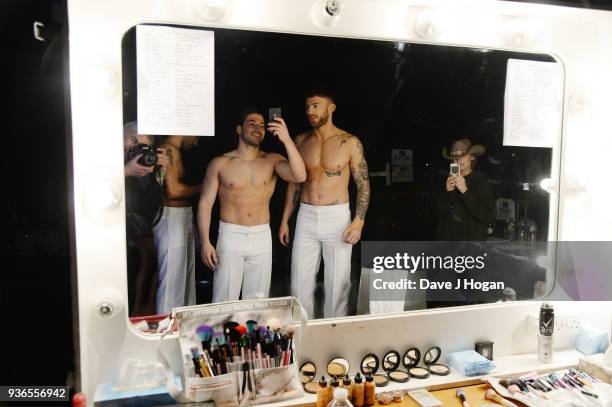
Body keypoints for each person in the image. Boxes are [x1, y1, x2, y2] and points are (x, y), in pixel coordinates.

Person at [197, 108, 306, 302]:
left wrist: (286, 139)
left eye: (263, 125)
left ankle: (252, 333)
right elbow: (205, 204)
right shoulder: (220, 163)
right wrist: (205, 242)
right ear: (239, 129)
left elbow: (300, 176)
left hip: (261, 235)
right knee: (224, 298)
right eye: (252, 123)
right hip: (231, 234)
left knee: (258, 299)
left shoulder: (271, 159)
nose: (258, 128)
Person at [280, 89, 371, 318]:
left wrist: (358, 221)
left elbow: (363, 184)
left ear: (331, 108)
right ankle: (305, 336)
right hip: (306, 215)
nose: (310, 111)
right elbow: (294, 184)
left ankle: (334, 337)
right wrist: (284, 221)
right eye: (308, 107)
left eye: (316, 105)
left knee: (337, 283)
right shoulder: (300, 141)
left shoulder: (349, 142)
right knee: (299, 282)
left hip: (337, 216)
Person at [123, 122, 168, 316]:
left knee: (148, 261)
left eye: (141, 145)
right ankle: (143, 307)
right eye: (133, 140)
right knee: (153, 260)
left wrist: (160, 170)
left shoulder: (139, 162)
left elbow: (153, 191)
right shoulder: (104, 153)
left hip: (142, 218)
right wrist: (126, 170)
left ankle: (142, 309)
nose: (134, 147)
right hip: (130, 222)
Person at [153, 134, 201, 314]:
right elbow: (173, 191)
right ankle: (165, 327)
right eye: (196, 137)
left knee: (185, 282)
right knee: (172, 282)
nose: (196, 142)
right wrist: (208, 185)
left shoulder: (175, 151)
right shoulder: (169, 149)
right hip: (171, 217)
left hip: (182, 215)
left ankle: (182, 329)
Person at [434, 138, 494, 241]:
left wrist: (465, 191)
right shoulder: (446, 179)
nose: (458, 160)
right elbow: (437, 214)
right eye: (455, 158)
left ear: (472, 157)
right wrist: (448, 192)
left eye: (463, 156)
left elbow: (487, 216)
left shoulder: (481, 180)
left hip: (470, 246)